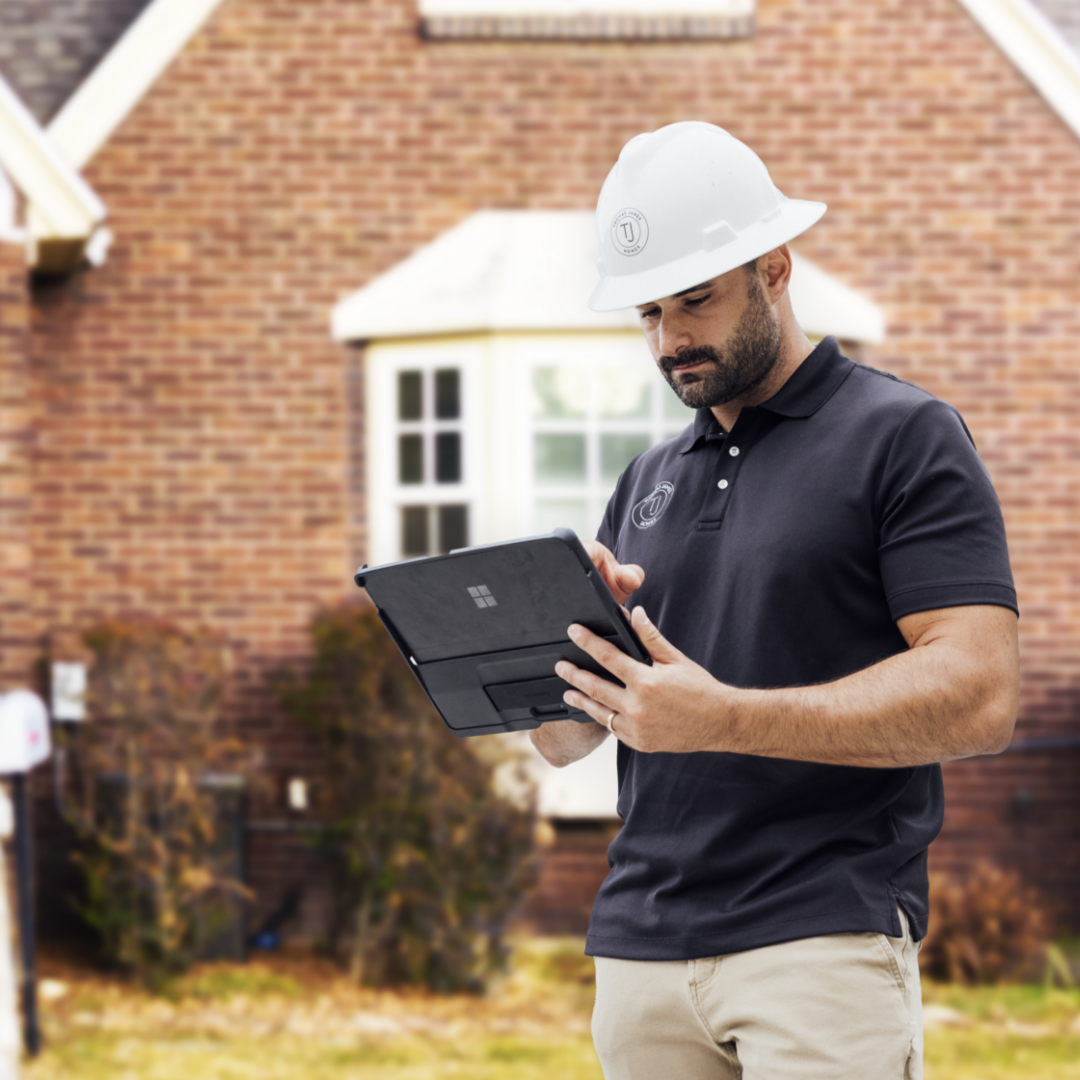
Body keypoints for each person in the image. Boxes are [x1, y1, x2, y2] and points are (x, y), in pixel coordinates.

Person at [529, 122, 1019, 1080]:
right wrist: (555, 655)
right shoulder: (646, 478)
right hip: (639, 949)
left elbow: (980, 692)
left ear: (776, 267)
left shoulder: (903, 436)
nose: (671, 340)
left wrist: (724, 718)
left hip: (818, 941)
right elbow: (565, 740)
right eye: (648, 314)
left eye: (696, 301)